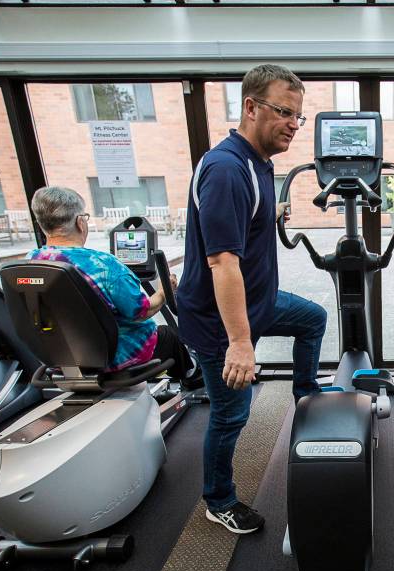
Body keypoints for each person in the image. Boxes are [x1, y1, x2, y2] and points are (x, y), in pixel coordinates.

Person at [177, 64, 327, 536]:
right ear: (250, 107)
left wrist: (271, 211)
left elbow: (239, 222)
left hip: (258, 302)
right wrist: (240, 343)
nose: (293, 125)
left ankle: (305, 394)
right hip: (222, 323)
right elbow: (222, 263)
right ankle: (218, 500)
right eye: (284, 112)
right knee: (230, 415)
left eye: (299, 116)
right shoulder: (226, 169)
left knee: (313, 319)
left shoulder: (256, 163)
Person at [27, 186, 198, 383]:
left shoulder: (31, 260)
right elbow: (140, 312)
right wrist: (163, 292)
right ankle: (191, 378)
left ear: (41, 224)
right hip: (115, 356)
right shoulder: (103, 264)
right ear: (80, 222)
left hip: (62, 357)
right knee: (168, 336)